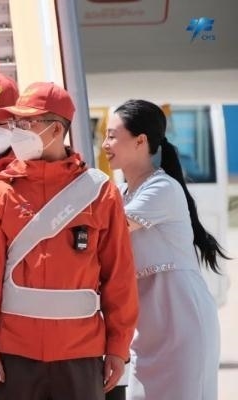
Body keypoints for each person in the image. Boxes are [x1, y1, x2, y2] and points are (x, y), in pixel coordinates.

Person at [0, 82, 139, 400]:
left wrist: (118, 347)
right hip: (15, 356)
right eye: (15, 122)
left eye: (26, 122)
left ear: (56, 129)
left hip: (81, 354)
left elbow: (119, 277)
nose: (16, 131)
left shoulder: (100, 193)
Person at [102, 99, 226, 400]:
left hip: (181, 320)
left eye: (112, 136)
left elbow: (109, 228)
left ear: (140, 141)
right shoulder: (121, 192)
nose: (105, 144)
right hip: (147, 327)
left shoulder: (162, 188)